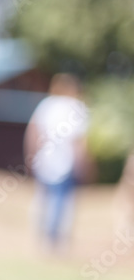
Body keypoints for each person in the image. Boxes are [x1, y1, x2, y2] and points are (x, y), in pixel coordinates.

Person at [24, 73, 90, 254]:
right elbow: (78, 140)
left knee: (43, 199)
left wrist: (31, 154)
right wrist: (83, 163)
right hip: (66, 162)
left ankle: (42, 239)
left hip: (45, 160)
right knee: (62, 203)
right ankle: (55, 243)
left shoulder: (46, 105)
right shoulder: (77, 108)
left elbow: (33, 130)